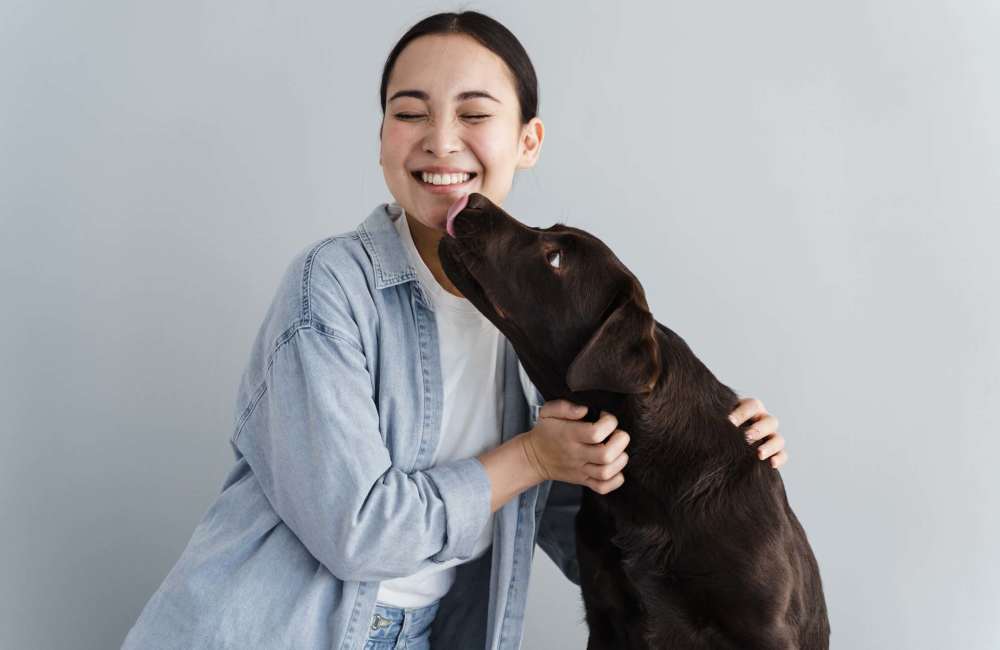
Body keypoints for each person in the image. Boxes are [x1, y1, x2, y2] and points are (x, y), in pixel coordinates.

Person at [121, 10, 788, 650]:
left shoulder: (541, 331)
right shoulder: (327, 287)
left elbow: (595, 541)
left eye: (473, 114)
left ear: (528, 140)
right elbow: (358, 533)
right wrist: (531, 456)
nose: (440, 140)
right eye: (409, 112)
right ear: (381, 137)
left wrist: (717, 459)